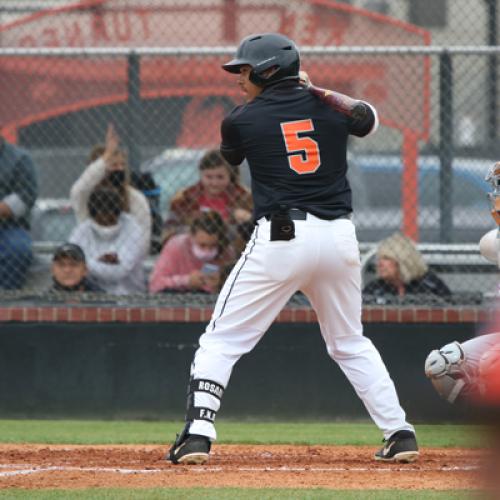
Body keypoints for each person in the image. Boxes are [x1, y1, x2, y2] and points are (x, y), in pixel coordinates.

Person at [167, 33, 418, 465]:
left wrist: (296, 92)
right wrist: (314, 90)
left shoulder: (241, 118)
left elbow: (233, 157)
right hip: (339, 240)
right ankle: (400, 432)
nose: (238, 78)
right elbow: (368, 119)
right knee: (349, 342)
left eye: (245, 70)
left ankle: (197, 434)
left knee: (222, 340)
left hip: (282, 238)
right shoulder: (329, 106)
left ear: (267, 71)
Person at [70, 124, 151, 256]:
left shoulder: (135, 198)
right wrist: (107, 155)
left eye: (122, 165)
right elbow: (78, 190)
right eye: (113, 165)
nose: (119, 170)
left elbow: (143, 241)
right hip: (91, 257)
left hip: (125, 260)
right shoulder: (85, 197)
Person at [163, 148, 253, 250]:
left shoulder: (245, 199)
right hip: (190, 253)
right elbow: (168, 231)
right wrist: (195, 233)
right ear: (201, 175)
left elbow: (257, 234)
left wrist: (246, 220)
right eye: (209, 177)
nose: (214, 183)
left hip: (230, 255)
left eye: (220, 177)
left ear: (230, 176)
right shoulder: (184, 198)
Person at [69, 187, 147, 295]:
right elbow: (71, 261)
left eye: (110, 220)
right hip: (90, 295)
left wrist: (86, 263)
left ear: (118, 215)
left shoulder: (132, 229)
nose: (105, 224)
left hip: (129, 296)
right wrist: (98, 261)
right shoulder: (82, 230)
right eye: (101, 220)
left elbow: (119, 272)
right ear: (92, 216)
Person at [149, 211, 234, 294]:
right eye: (202, 245)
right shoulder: (176, 246)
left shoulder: (226, 251)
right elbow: (155, 284)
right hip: (176, 295)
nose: (207, 251)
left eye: (213, 246)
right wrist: (187, 281)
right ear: (192, 236)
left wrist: (220, 283)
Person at [362, 232, 452, 303]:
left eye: (386, 258)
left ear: (403, 261)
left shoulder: (429, 285)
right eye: (379, 258)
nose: (379, 264)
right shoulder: (374, 288)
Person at [0, 135, 38, 289]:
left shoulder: (20, 159)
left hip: (10, 227)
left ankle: (6, 301)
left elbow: (25, 196)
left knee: (18, 250)